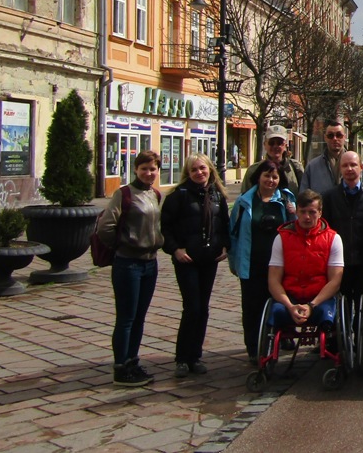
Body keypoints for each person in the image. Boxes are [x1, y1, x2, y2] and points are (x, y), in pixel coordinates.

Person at [97, 150, 163, 387]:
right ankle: (120, 367)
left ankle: (132, 361)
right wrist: (122, 245)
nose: (148, 172)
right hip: (128, 263)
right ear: (136, 170)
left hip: (150, 262)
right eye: (144, 168)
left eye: (153, 168)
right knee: (126, 317)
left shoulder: (155, 194)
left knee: (140, 317)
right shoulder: (124, 194)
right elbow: (105, 226)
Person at [161, 154, 230, 378]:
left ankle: (196, 356)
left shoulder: (217, 195)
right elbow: (166, 228)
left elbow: (224, 224)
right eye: (194, 170)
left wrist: (225, 246)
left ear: (210, 169)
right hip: (187, 259)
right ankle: (183, 358)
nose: (199, 173)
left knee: (204, 308)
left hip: (208, 259)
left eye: (202, 168)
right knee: (192, 308)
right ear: (188, 173)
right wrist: (176, 249)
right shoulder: (178, 196)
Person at [229, 159, 296, 365]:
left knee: (279, 305)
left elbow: (295, 229)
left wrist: (294, 214)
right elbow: (233, 234)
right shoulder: (244, 202)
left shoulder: (286, 200)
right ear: (258, 177)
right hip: (252, 264)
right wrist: (235, 262)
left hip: (278, 266)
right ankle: (254, 348)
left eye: (275, 176)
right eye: (266, 175)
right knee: (252, 308)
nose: (271, 180)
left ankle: (275, 345)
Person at [267, 190, 344, 333]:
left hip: (320, 298)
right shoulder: (281, 238)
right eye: (302, 212)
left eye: (312, 212)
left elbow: (335, 281)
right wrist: (290, 306)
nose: (307, 217)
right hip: (290, 297)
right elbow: (273, 280)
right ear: (296, 211)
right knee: (276, 312)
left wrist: (311, 305)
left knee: (327, 315)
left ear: (320, 212)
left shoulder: (334, 239)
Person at [321, 151, 363, 301]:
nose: (349, 169)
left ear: (361, 168)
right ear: (340, 169)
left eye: (353, 165)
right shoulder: (329, 197)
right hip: (339, 261)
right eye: (345, 165)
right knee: (341, 306)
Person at [302, 120, 363, 195]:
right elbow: (304, 199)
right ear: (325, 138)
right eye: (330, 136)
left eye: (339, 135)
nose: (335, 139)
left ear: (344, 137)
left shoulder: (359, 166)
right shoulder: (312, 167)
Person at [241, 125, 303, 196]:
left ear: (285, 145)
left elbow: (304, 197)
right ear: (265, 145)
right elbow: (245, 199)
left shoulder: (296, 168)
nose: (275, 146)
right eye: (271, 143)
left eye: (279, 143)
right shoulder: (253, 170)